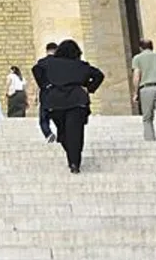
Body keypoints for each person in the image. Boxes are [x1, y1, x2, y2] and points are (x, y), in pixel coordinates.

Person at [33, 40, 104, 174]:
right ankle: (74, 162)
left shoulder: (49, 63)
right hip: (77, 101)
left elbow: (36, 69)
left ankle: (71, 157)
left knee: (64, 131)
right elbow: (99, 75)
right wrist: (89, 88)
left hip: (55, 102)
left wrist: (45, 85)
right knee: (76, 132)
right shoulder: (80, 65)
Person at [132, 39, 156, 142]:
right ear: (152, 47)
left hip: (146, 88)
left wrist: (135, 93)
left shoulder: (137, 58)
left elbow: (137, 76)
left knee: (147, 117)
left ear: (140, 48)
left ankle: (150, 141)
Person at [36, 42, 58, 142]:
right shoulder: (61, 63)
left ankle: (48, 134)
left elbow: (39, 81)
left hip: (45, 94)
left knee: (44, 118)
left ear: (47, 50)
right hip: (59, 94)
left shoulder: (41, 63)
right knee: (60, 116)